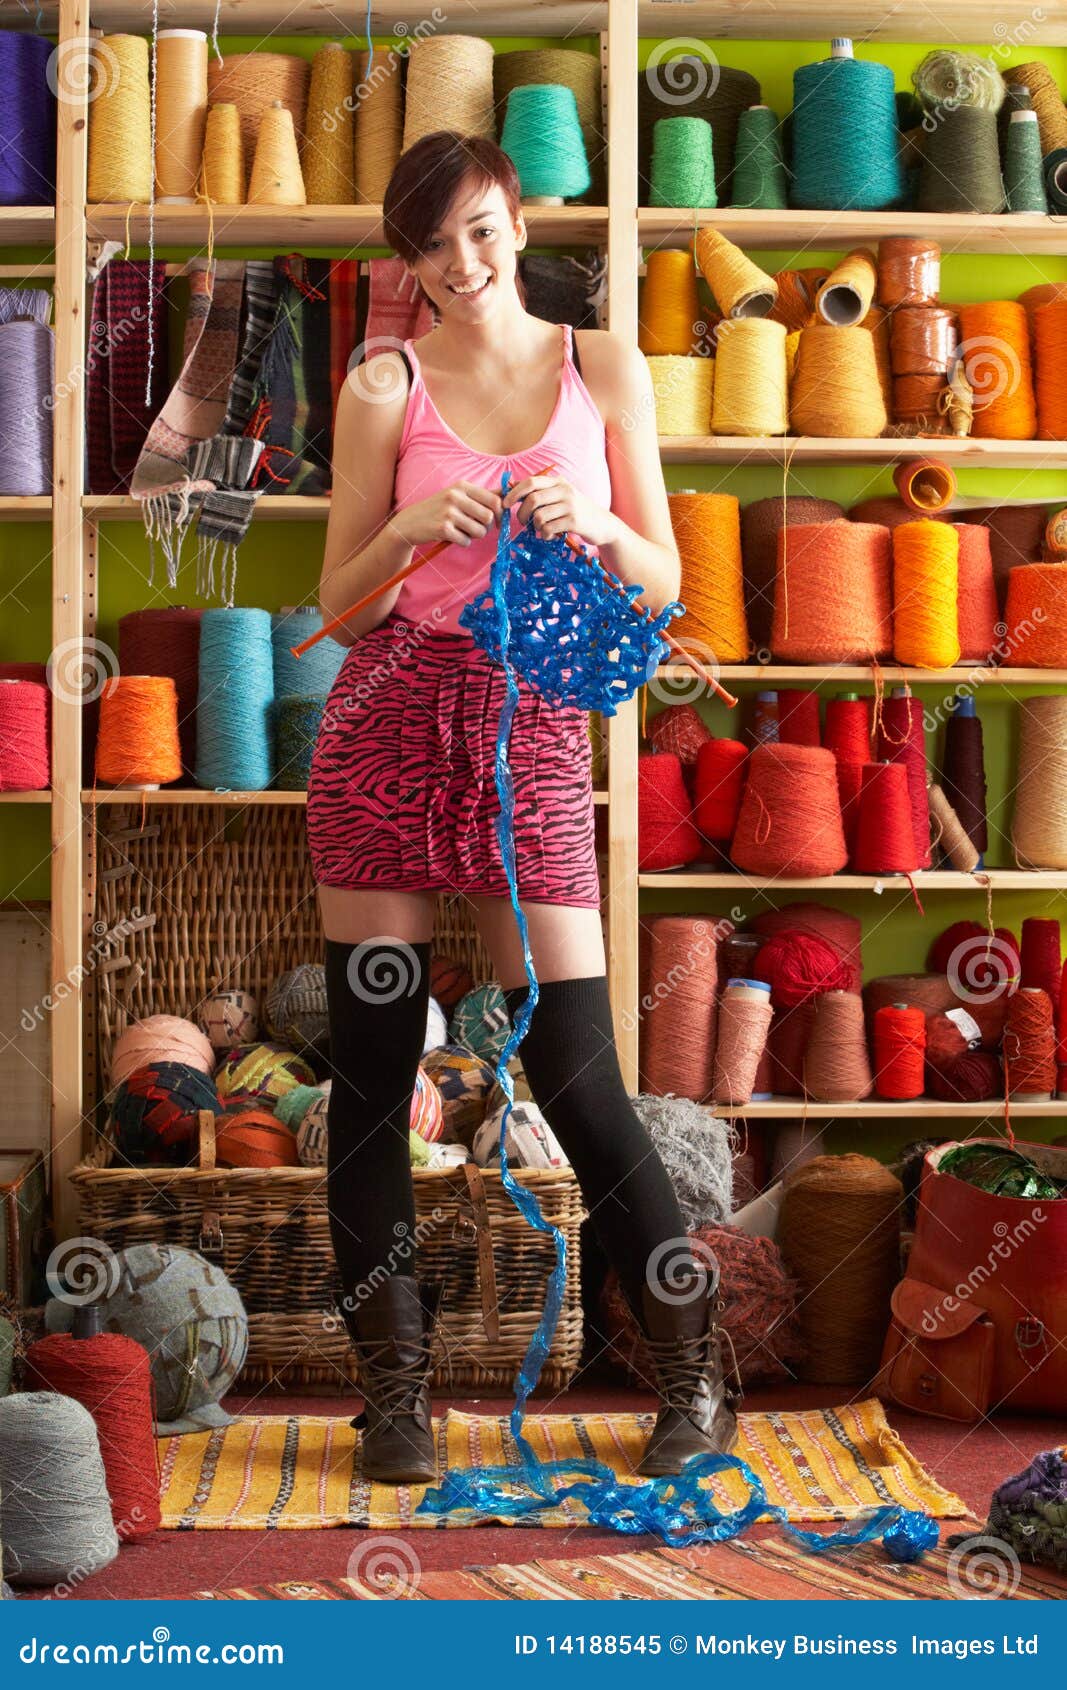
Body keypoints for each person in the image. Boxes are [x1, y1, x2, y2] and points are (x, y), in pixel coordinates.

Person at [306, 131, 736, 1485]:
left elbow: (661, 585)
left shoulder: (598, 363)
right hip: (386, 730)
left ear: (515, 219)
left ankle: (692, 1370)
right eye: (435, 246)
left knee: (577, 1069)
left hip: (534, 728)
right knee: (373, 1070)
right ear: (410, 263)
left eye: (484, 230)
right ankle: (396, 1399)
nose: (466, 263)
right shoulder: (386, 381)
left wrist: (598, 527)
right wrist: (408, 529)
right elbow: (337, 604)